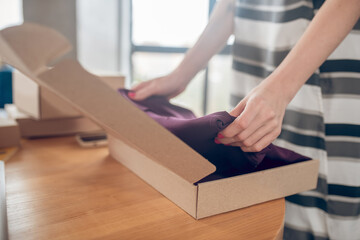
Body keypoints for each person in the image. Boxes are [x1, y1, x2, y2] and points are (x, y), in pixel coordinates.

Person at [129, 0, 360, 239]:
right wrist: (181, 74)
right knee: (254, 205)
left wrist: (280, 88)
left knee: (314, 212)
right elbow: (230, 4)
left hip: (320, 58)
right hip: (258, 57)